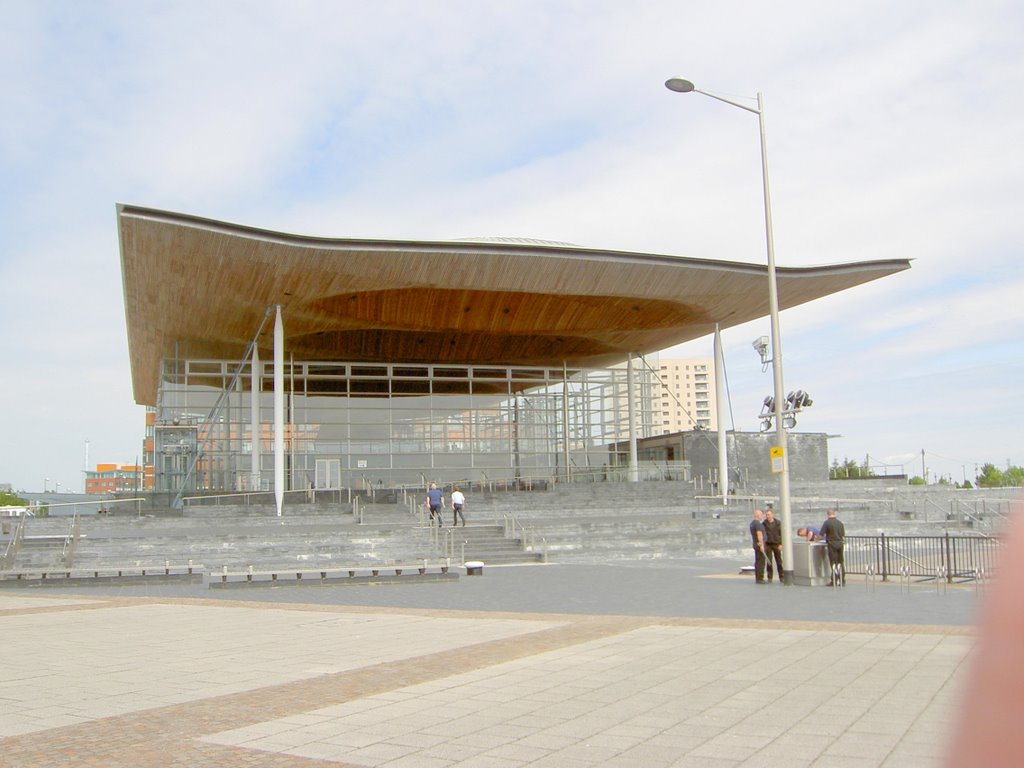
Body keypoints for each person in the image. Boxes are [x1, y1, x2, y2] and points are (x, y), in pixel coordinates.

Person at [819, 509, 846, 586]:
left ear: (828, 514)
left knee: (833, 563)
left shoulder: (827, 523)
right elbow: (843, 535)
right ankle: (842, 580)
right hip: (840, 544)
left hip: (832, 544)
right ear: (834, 514)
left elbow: (821, 535)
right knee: (840, 562)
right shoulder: (840, 523)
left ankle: (834, 580)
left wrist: (815, 539)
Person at [763, 507, 783, 583]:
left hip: (776, 543)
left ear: (772, 515)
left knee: (779, 561)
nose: (768, 516)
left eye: (769, 514)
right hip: (768, 544)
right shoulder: (764, 524)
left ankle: (781, 576)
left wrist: (781, 544)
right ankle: (770, 576)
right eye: (767, 515)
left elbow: (781, 534)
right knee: (769, 561)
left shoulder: (778, 523)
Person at [749, 509, 767, 584]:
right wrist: (762, 545)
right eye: (762, 515)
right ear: (758, 515)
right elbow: (759, 535)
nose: (762, 516)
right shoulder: (758, 524)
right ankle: (760, 578)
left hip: (755, 544)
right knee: (761, 562)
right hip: (759, 545)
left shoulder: (752, 523)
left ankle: (758, 577)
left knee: (757, 561)